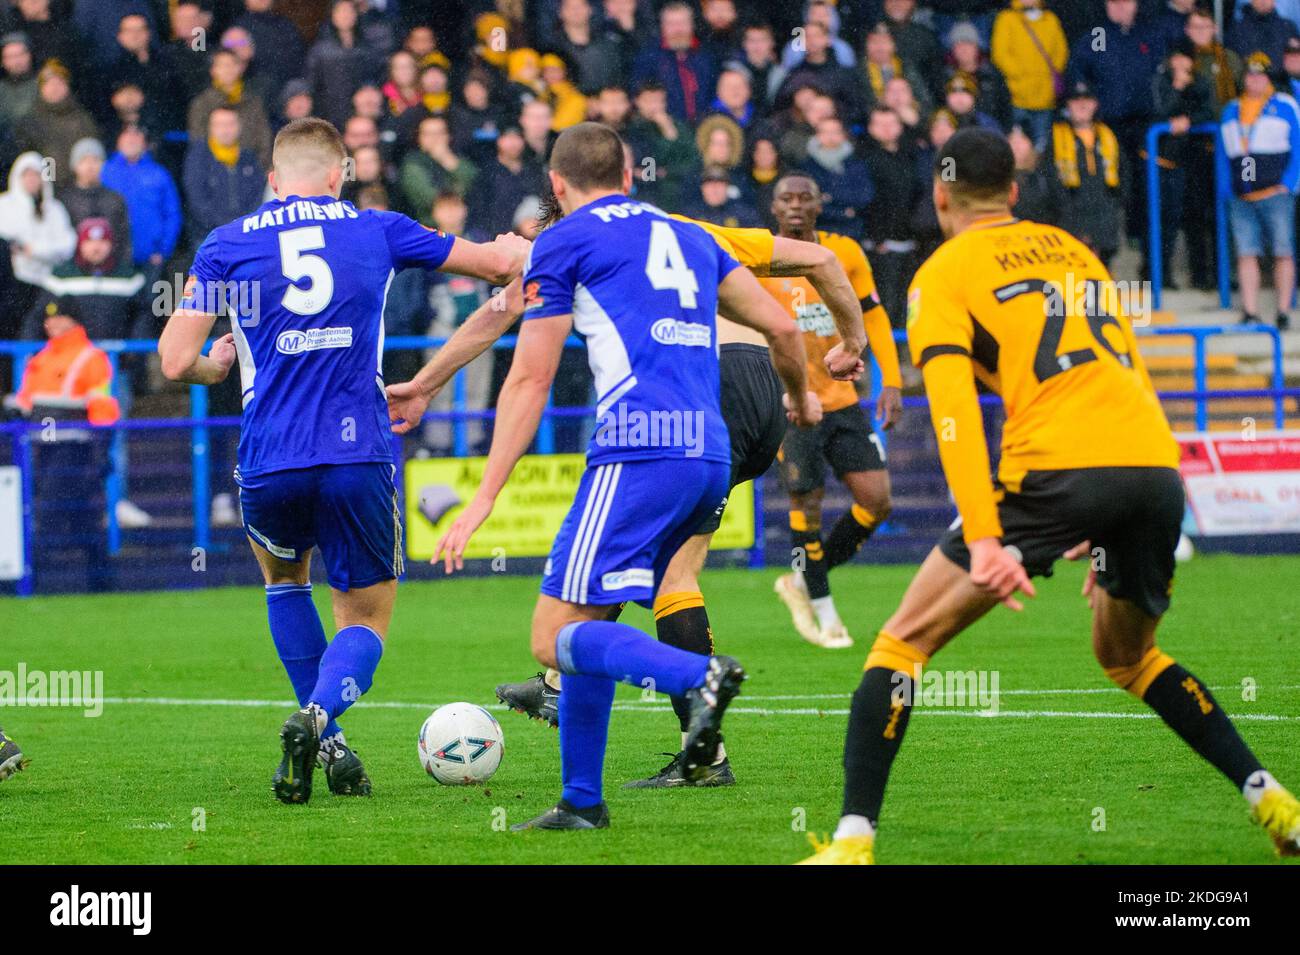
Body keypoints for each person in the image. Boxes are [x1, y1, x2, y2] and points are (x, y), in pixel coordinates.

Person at [799, 127, 1300, 866]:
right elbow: (1110, 372)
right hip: (1152, 467)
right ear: (1012, 190)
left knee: (900, 643)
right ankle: (1269, 796)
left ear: (939, 195)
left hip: (1055, 471)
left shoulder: (942, 272)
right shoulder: (1077, 253)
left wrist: (989, 536)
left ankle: (850, 842)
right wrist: (1114, 513)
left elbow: (954, 416)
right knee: (1129, 658)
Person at [392, 131, 871, 786]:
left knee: (587, 610)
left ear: (557, 187)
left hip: (661, 422)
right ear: (629, 174)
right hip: (732, 416)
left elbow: (511, 342)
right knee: (662, 576)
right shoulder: (691, 231)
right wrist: (836, 362)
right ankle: (606, 778)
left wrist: (452, 434)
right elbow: (809, 283)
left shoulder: (565, 239)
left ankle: (665, 683)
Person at [157, 116, 530, 804]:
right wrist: (508, 245)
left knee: (285, 582)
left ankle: (327, 743)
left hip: (270, 457)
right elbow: (499, 266)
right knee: (363, 621)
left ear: (273, 179)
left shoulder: (225, 245)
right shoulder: (376, 227)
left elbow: (176, 359)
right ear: (339, 174)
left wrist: (217, 364)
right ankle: (320, 718)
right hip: (358, 450)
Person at [765, 174, 903, 649]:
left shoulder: (843, 252)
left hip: (843, 399)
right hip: (792, 402)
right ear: (774, 206)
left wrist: (894, 379)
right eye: (788, 198)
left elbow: (874, 314)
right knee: (807, 504)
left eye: (806, 197)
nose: (797, 205)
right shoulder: (759, 257)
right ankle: (826, 616)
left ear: (820, 204)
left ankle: (804, 580)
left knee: (877, 501)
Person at [1219, 51, 1300, 329]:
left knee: (1283, 251)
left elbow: (1298, 145)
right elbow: (1223, 152)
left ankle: (1283, 311)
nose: (1254, 80)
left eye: (1260, 75)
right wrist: (1227, 188)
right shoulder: (1231, 109)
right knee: (1246, 253)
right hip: (1242, 195)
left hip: (1275, 193)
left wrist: (1289, 183)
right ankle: (1250, 311)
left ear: (1268, 78)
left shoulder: (1285, 105)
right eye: (1250, 75)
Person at [1046, 82, 1125, 269]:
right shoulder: (1055, 137)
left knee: (1103, 279)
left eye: (1087, 100)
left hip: (1104, 219)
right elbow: (1050, 180)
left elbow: (1124, 176)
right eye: (1076, 100)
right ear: (1067, 105)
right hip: (1070, 219)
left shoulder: (1108, 137)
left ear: (1095, 104)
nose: (1082, 105)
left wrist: (1114, 205)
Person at [0, 150, 76, 337]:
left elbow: (67, 245)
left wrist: (34, 250)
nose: (32, 180)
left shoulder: (54, 208)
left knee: (38, 332)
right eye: (27, 174)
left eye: (36, 174)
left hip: (48, 284)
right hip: (11, 285)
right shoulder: (4, 205)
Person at [101, 125, 181, 289]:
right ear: (118, 141)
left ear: (145, 143)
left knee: (148, 307)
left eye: (136, 135)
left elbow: (172, 213)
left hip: (150, 257)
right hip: (112, 257)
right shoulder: (105, 172)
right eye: (126, 134)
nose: (131, 139)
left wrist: (163, 250)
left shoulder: (159, 174)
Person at [182, 106, 265, 245]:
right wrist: (227, 227)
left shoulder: (248, 157)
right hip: (209, 237)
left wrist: (243, 224)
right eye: (219, 124)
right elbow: (197, 200)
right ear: (210, 127)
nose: (225, 129)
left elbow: (257, 195)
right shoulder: (198, 157)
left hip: (246, 235)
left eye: (230, 124)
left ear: (239, 127)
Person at [991, 0, 1067, 149]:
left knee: (1042, 146)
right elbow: (1000, 54)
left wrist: (1047, 75)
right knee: (1016, 146)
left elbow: (1060, 52)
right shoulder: (1006, 18)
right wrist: (1019, 75)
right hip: (1017, 96)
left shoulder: (1050, 19)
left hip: (1045, 96)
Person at [61, 138, 132, 268]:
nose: (90, 166)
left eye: (95, 160)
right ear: (75, 166)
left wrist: (122, 267)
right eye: (84, 161)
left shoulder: (115, 199)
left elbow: (124, 238)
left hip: (111, 271)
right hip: (73, 272)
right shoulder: (65, 200)